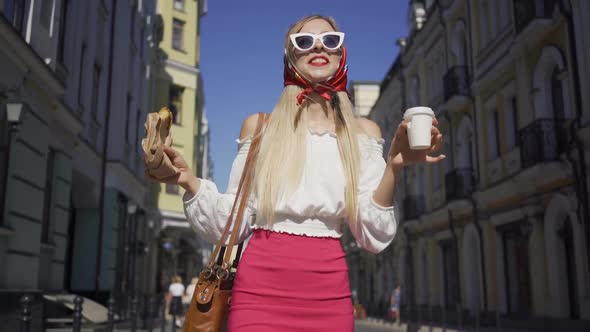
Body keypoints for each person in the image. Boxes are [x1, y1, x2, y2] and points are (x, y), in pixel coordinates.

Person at [146, 14, 444, 332]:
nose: (318, 46)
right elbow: (230, 223)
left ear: (341, 54)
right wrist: (186, 179)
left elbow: (372, 234)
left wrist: (394, 165)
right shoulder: (261, 128)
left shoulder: (363, 134)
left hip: (329, 297)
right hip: (257, 296)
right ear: (291, 56)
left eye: (331, 40)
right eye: (304, 41)